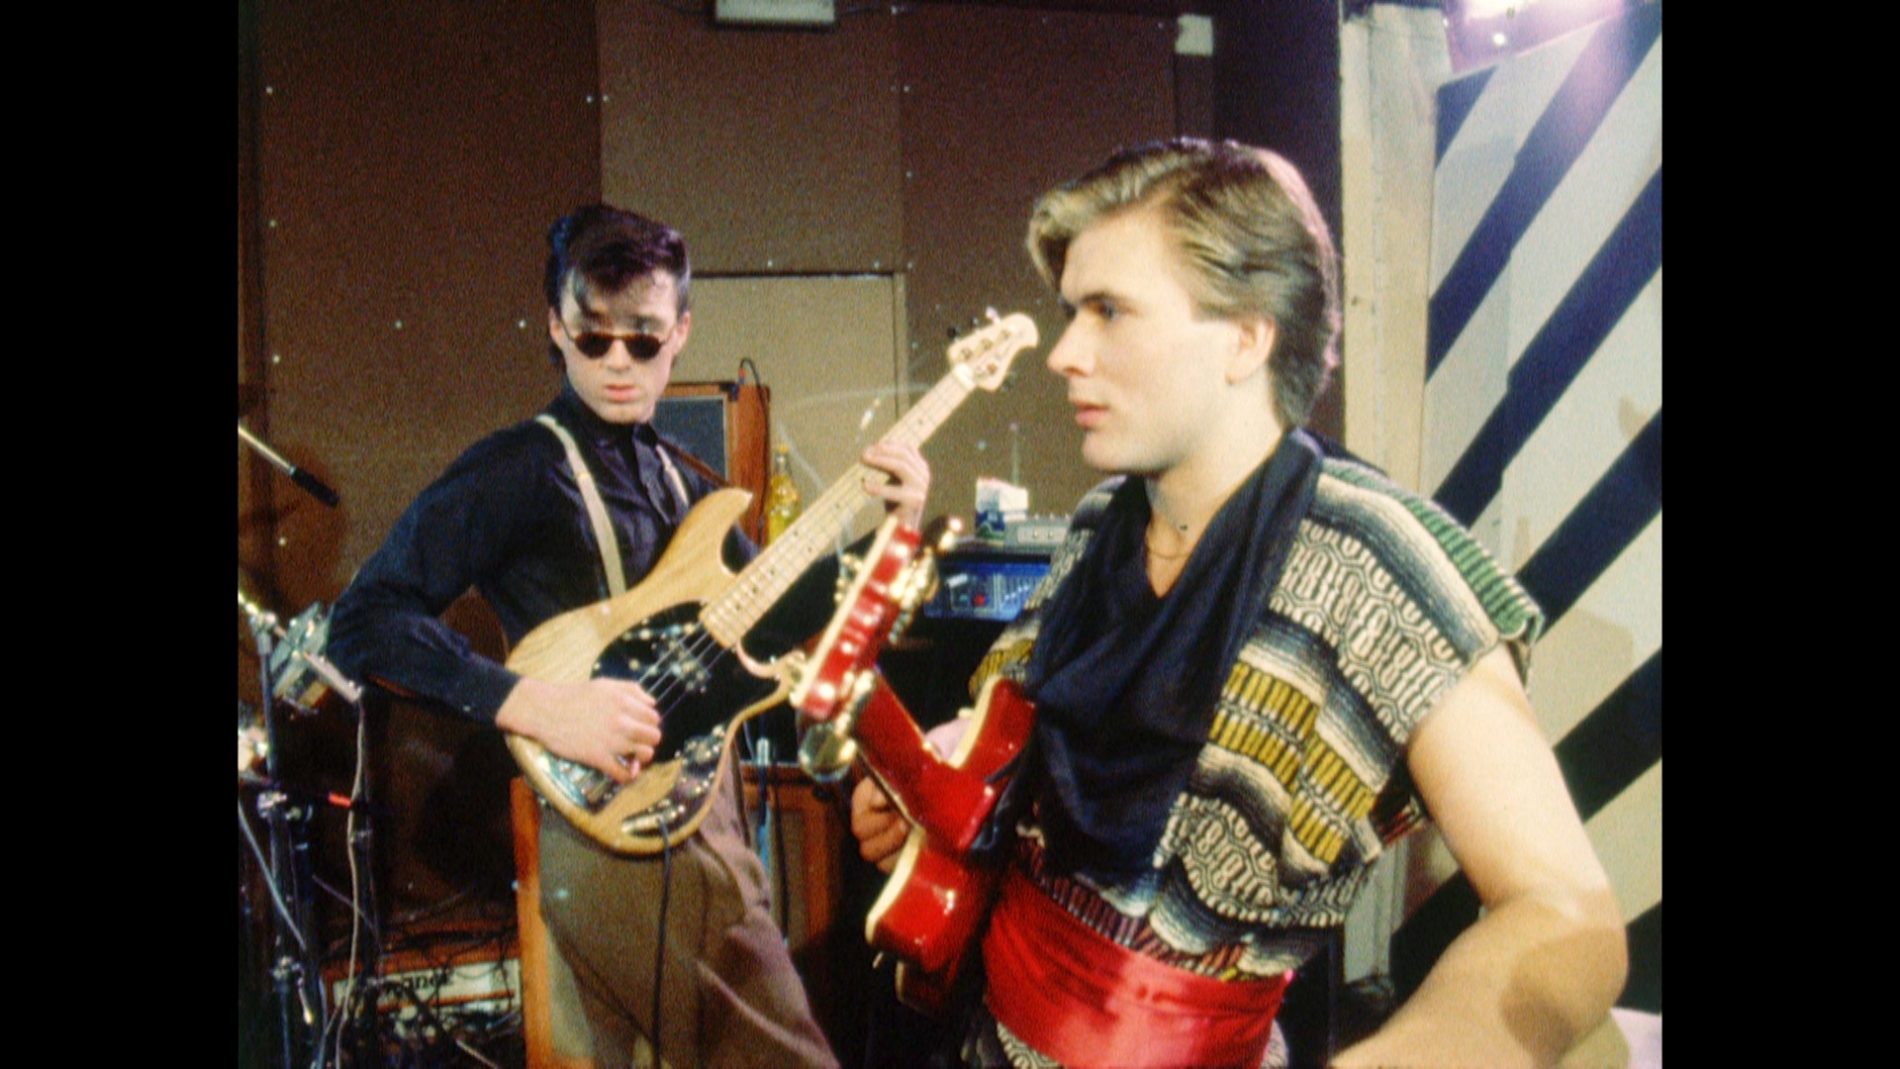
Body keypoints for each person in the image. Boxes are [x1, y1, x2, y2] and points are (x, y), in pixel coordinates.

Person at [849, 139, 1626, 1068]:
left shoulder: (1376, 561)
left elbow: (1569, 917)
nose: (1063, 354)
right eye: (1070, 313)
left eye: (1109, 311)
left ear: (1246, 338)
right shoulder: (1100, 526)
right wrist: (938, 802)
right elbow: (1030, 764)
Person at [330, 203, 929, 1068]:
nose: (617, 361)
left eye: (642, 340)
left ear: (680, 331)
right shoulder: (519, 469)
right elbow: (364, 619)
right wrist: (536, 705)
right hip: (611, 839)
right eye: (593, 337)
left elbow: (784, 616)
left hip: (707, 815)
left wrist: (897, 524)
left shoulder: (682, 482)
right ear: (555, 327)